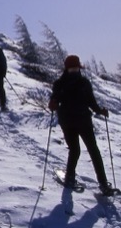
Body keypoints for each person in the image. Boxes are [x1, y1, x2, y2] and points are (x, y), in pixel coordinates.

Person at [49, 55, 117, 197]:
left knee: (88, 150)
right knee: (80, 150)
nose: (74, 70)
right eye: (72, 68)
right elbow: (55, 100)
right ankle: (97, 183)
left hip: (75, 120)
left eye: (76, 68)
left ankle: (100, 183)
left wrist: (100, 111)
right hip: (74, 121)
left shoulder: (72, 83)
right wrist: (53, 104)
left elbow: (91, 102)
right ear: (67, 68)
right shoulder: (69, 83)